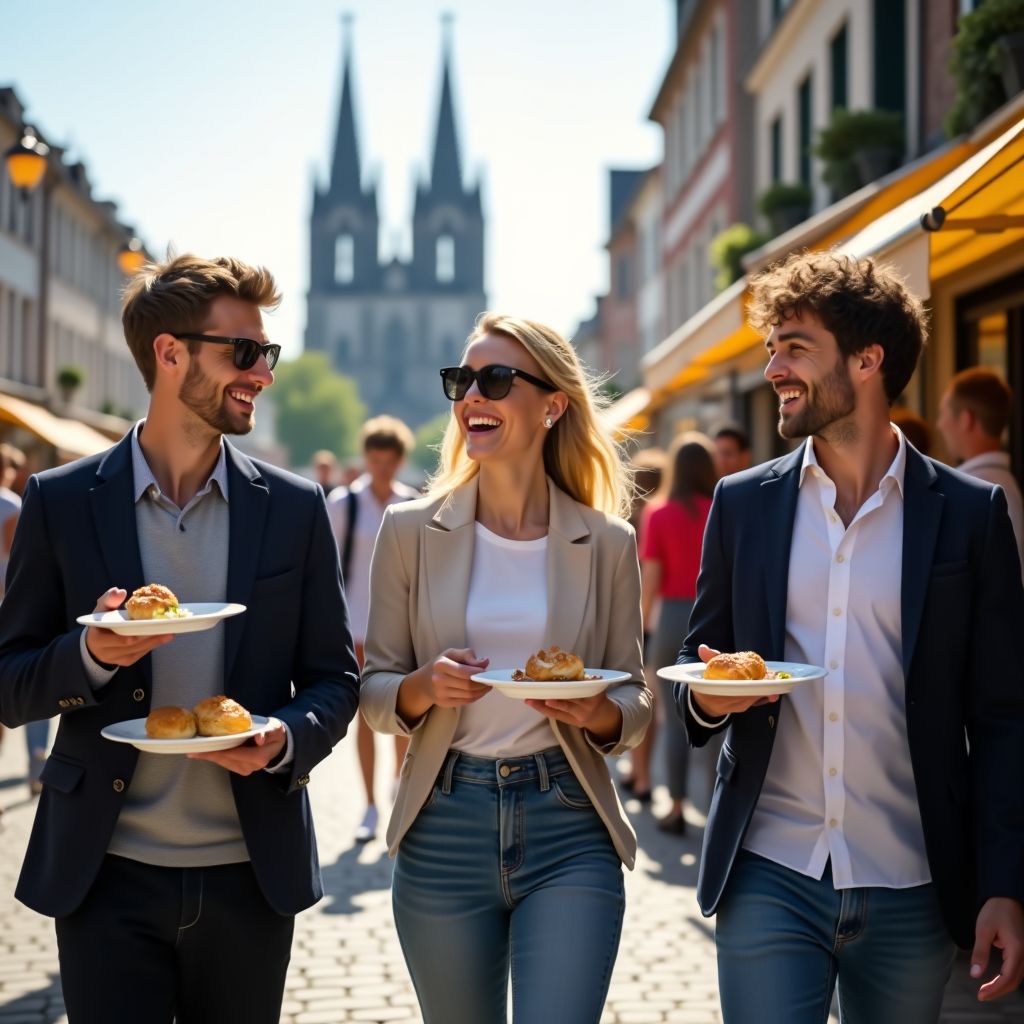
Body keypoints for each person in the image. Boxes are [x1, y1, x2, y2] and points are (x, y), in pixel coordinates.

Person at [0, 253, 361, 1024]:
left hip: (249, 873)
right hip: (104, 873)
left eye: (267, 354)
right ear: (171, 355)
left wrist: (286, 737)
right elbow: (9, 682)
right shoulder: (61, 502)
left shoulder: (295, 509)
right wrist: (91, 657)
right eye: (243, 352)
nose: (263, 373)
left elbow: (335, 679)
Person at [675, 251, 1024, 1022]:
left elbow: (1003, 719)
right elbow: (695, 670)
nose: (773, 368)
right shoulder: (743, 506)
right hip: (770, 869)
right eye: (772, 347)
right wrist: (711, 698)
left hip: (913, 882)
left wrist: (1004, 883)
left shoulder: (970, 517)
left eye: (794, 346)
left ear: (869, 361)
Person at [361, 312, 652, 1024]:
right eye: (462, 381)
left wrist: (602, 711)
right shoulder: (407, 533)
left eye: (495, 379)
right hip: (443, 825)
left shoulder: (607, 542)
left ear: (553, 405)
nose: (471, 398)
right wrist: (424, 687)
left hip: (568, 822)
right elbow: (372, 693)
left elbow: (636, 698)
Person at [327, 414, 419, 842]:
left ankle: (400, 790)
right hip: (358, 624)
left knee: (404, 712)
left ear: (399, 460)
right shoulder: (344, 504)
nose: (381, 466)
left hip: (402, 625)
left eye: (389, 459)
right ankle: (368, 804)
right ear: (366, 458)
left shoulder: (411, 504)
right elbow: (326, 569)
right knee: (367, 715)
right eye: (375, 458)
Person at [639, 432, 716, 833]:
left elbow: (651, 575)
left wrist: (639, 628)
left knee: (672, 716)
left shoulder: (658, 511)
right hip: (713, 620)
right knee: (719, 714)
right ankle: (719, 807)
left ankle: (676, 805)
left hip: (670, 616)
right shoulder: (721, 508)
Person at [936, 366, 1023, 571]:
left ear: (967, 419)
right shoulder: (1007, 483)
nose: (940, 424)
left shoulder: (971, 491)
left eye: (943, 413)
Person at [618, 446, 665, 803]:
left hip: (640, 615)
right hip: (669, 613)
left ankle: (640, 773)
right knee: (656, 702)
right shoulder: (664, 515)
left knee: (638, 696)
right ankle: (642, 773)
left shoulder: (632, 523)